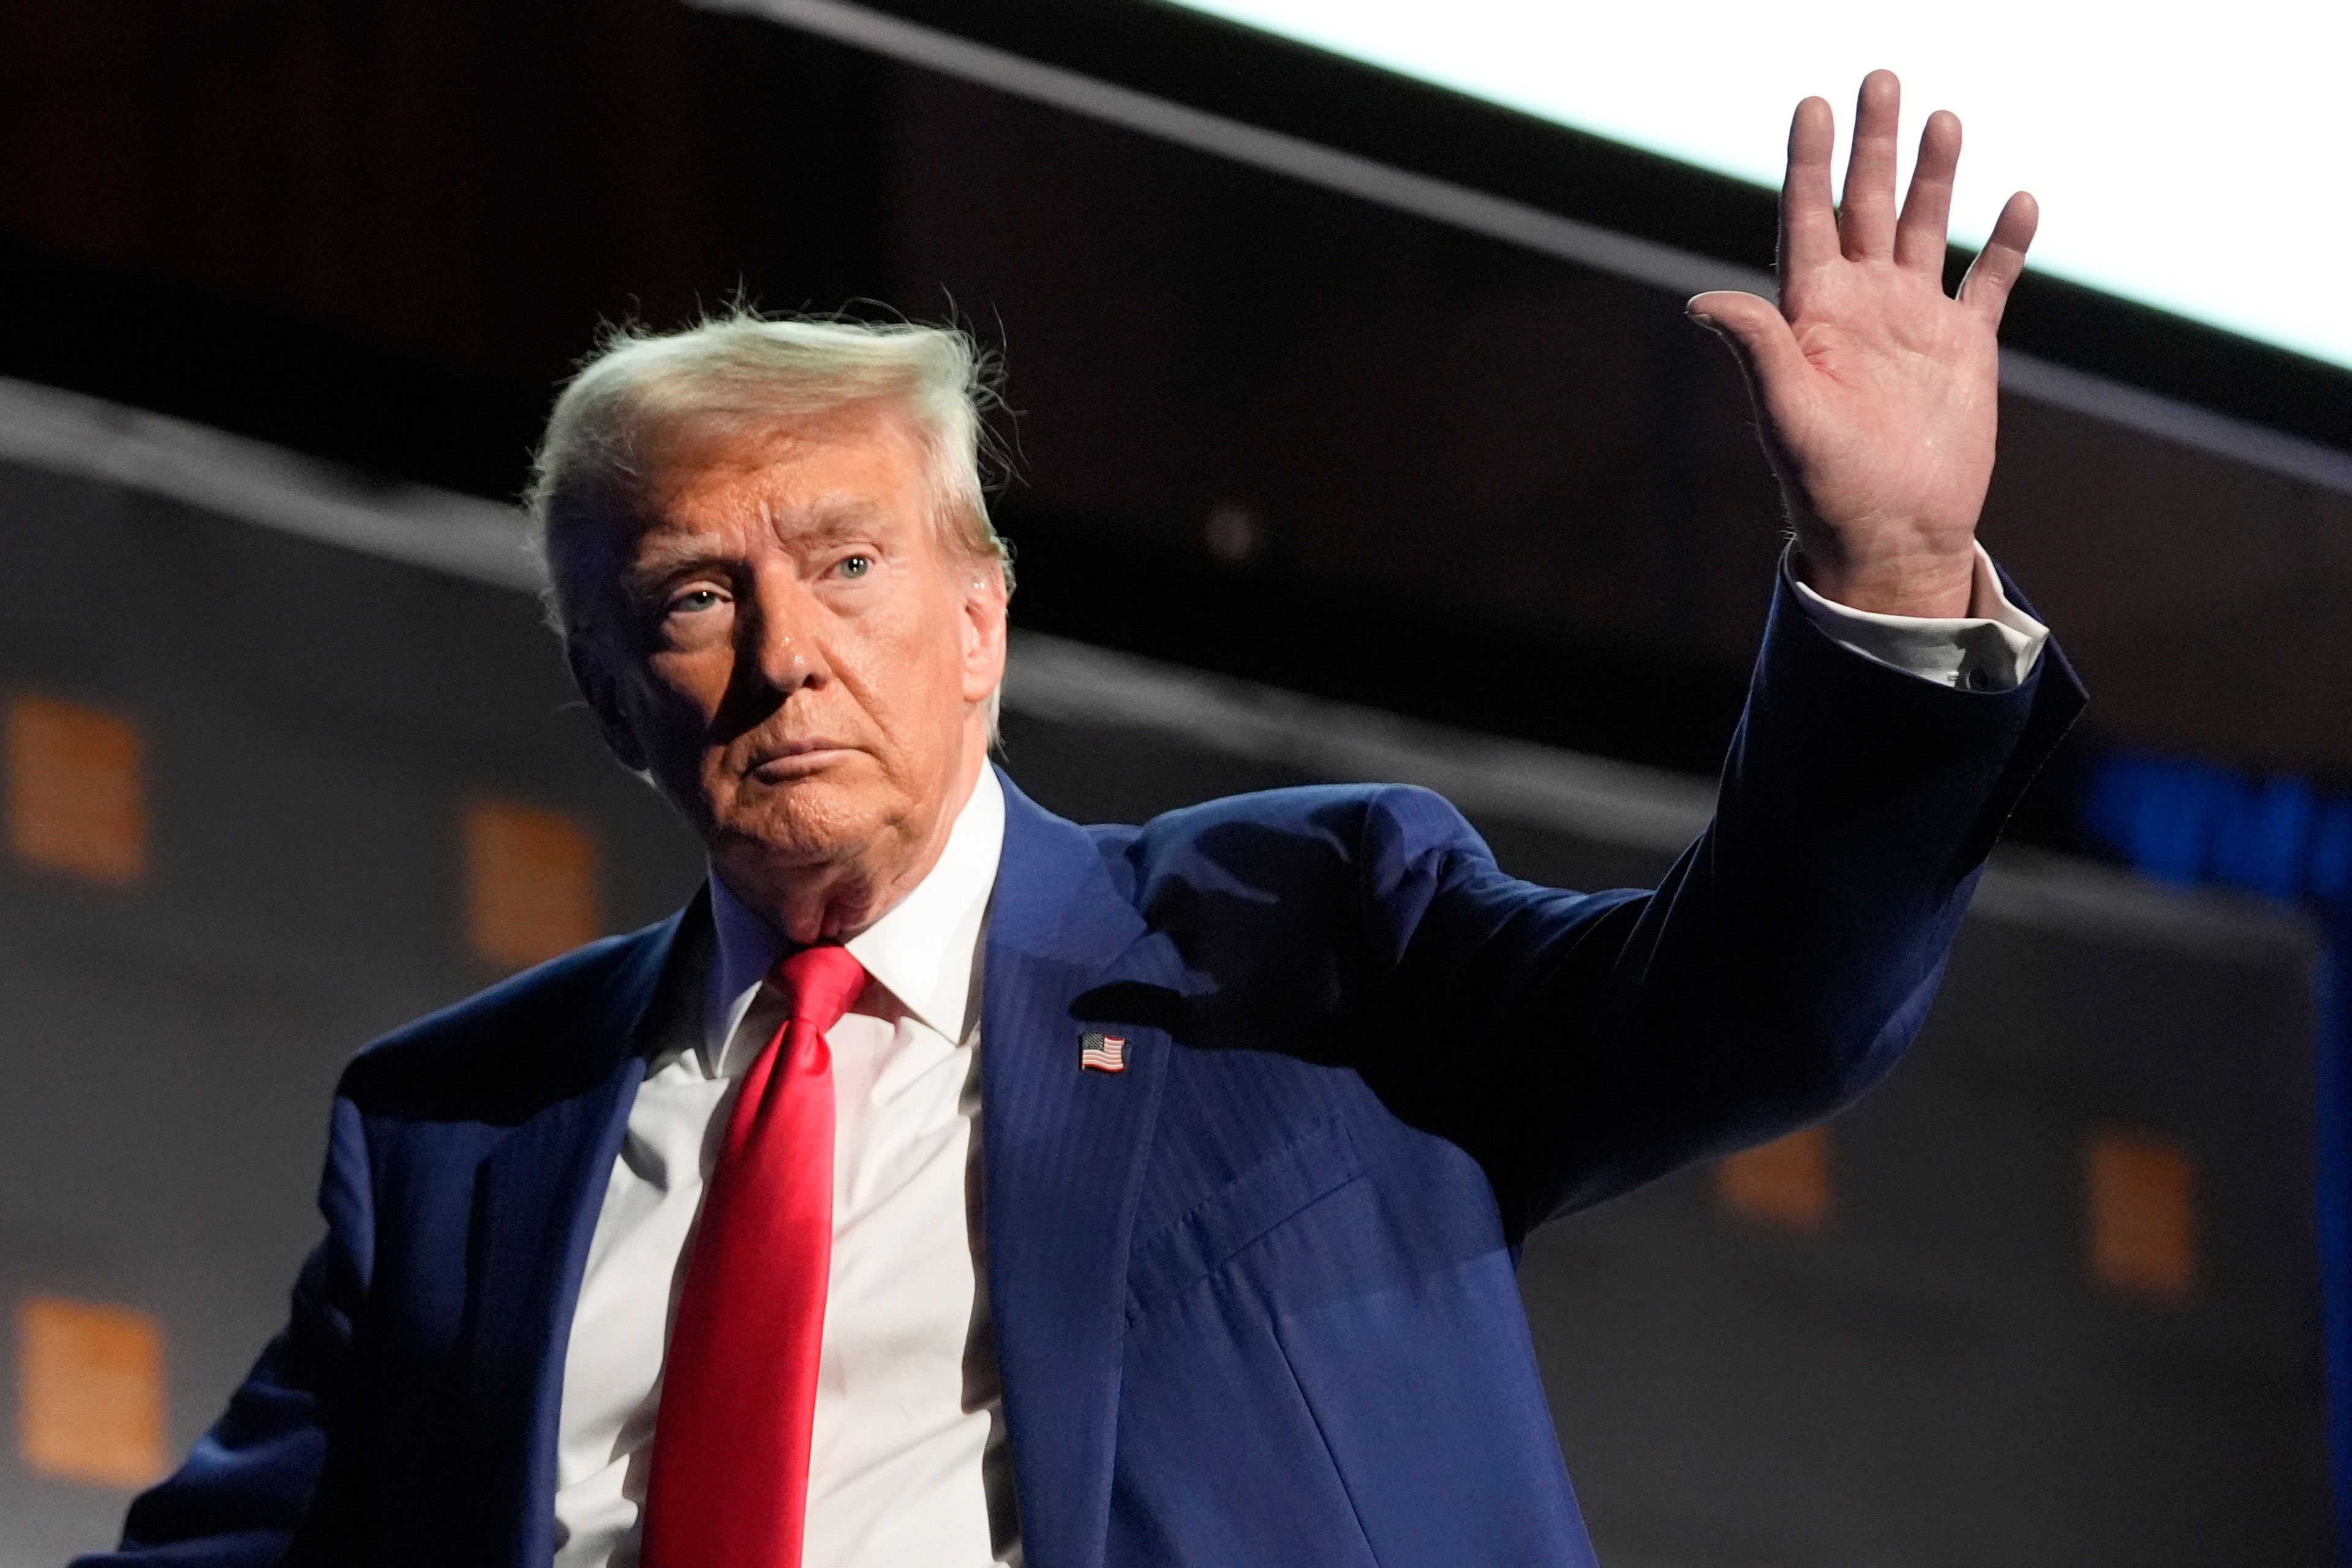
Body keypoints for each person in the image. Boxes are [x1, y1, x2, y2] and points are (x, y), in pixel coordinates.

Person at [81, 72, 2082, 1568]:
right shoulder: (457, 1135)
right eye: (697, 597)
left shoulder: (1301, 939)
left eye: (848, 567)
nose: (786, 657)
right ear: (608, 689)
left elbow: (1759, 1009)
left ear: (981, 623)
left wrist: (1891, 574)